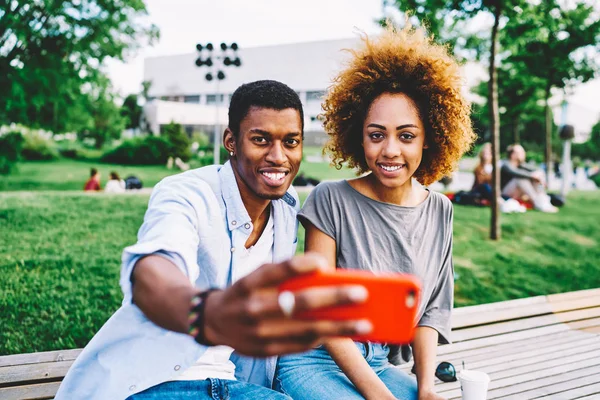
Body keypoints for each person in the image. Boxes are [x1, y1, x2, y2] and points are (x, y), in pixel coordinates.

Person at [56, 80, 371, 400]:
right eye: (260, 140)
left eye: (291, 141)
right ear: (231, 141)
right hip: (151, 380)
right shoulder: (186, 193)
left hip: (229, 380)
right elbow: (155, 268)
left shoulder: (287, 205)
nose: (278, 156)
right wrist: (206, 313)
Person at [274, 24, 476, 400]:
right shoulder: (330, 200)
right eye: (376, 134)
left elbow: (432, 310)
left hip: (380, 361)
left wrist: (426, 387)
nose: (390, 150)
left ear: (429, 137)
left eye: (406, 135)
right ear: (358, 135)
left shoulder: (440, 211)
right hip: (312, 360)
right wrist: (379, 396)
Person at [500, 144, 558, 213]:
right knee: (520, 178)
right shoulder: (505, 164)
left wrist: (538, 175)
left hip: (517, 193)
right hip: (505, 193)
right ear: (513, 155)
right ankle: (538, 203)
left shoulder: (521, 165)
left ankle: (543, 200)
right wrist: (532, 176)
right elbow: (516, 173)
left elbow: (537, 170)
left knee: (536, 176)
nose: (523, 154)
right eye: (520, 152)